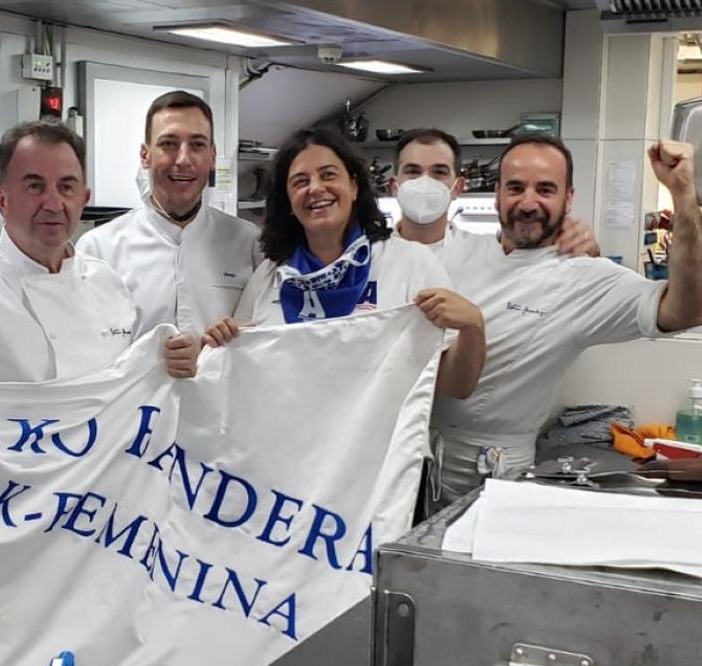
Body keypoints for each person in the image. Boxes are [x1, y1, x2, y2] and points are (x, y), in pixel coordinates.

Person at [426, 135, 702, 505]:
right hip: (418, 454)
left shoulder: (585, 277)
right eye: (515, 188)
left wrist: (683, 196)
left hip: (492, 471)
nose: (528, 202)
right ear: (496, 194)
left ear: (567, 199)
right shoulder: (458, 250)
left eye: (545, 189)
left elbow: (685, 309)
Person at [204, 128, 487, 401]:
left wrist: (473, 327)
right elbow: (240, 368)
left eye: (328, 175)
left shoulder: (410, 263)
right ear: (289, 201)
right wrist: (219, 341)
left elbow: (455, 386)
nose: (315, 188)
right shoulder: (270, 275)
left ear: (353, 187)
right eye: (300, 182)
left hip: (379, 448)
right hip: (288, 443)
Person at [0, 121, 199, 382]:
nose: (53, 203)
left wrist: (172, 356)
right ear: (1, 200)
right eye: (35, 186)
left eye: (66, 187)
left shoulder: (106, 281)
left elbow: (131, 371)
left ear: (83, 199)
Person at [76, 91, 261, 335]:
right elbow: (85, 345)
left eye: (197, 145)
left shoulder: (249, 244)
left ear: (212, 156)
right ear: (145, 156)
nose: (183, 159)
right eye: (168, 144)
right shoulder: (99, 251)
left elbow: (264, 340)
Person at [388, 128, 600, 259]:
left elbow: (530, 240)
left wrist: (584, 244)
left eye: (439, 172)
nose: (425, 182)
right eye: (413, 171)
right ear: (394, 186)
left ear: (459, 187)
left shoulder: (487, 253)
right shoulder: (367, 254)